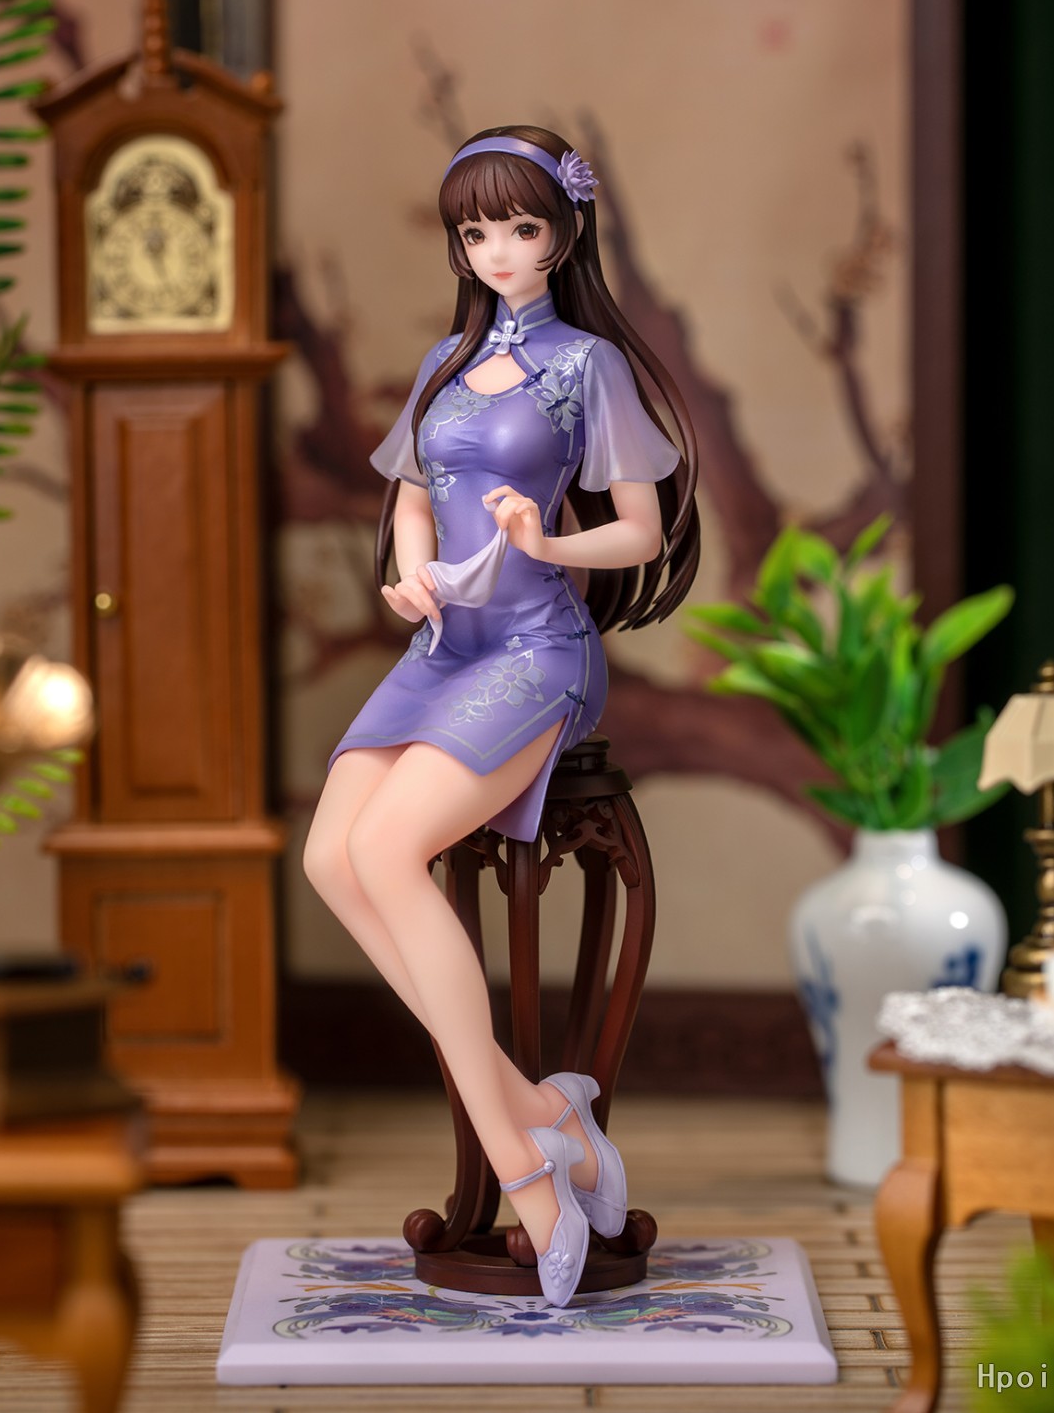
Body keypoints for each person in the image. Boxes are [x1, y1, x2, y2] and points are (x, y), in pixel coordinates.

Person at [303, 124, 699, 1306]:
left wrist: (548, 541)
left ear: (564, 234)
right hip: (446, 645)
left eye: (521, 226)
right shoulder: (444, 359)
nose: (498, 250)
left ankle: (527, 1167)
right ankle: (547, 1110)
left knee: (387, 848)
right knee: (329, 856)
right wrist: (410, 572)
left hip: (536, 650)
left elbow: (642, 528)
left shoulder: (588, 365)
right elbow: (414, 494)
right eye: (476, 230)